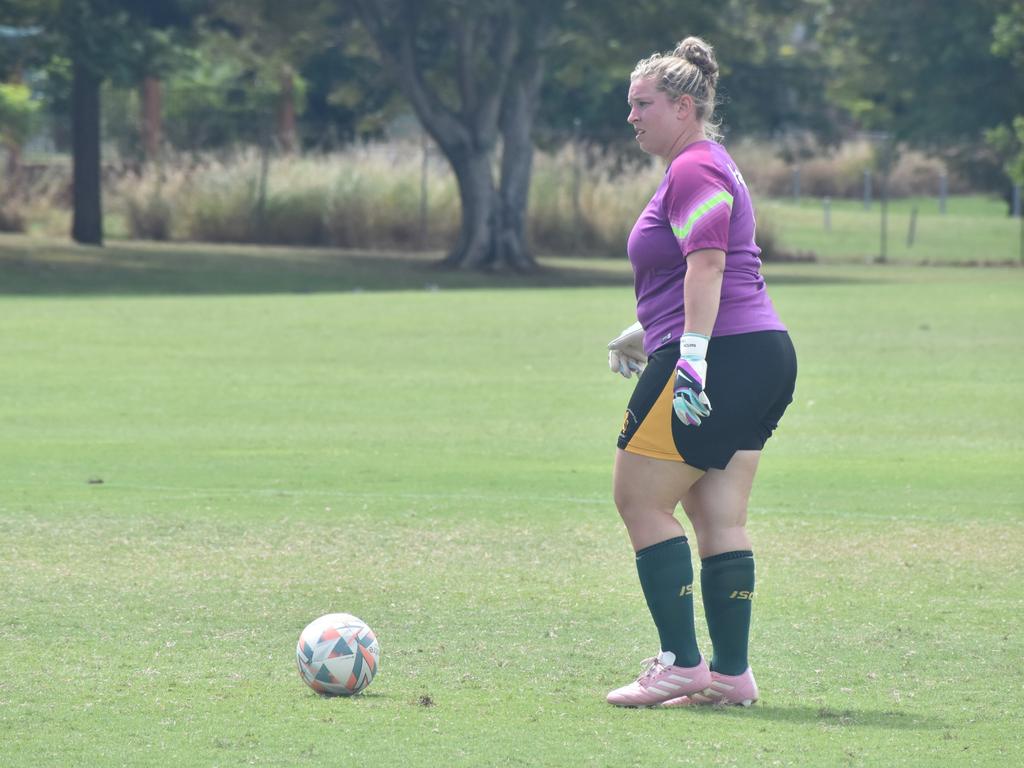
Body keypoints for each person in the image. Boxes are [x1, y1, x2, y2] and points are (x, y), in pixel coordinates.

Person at [604, 36, 797, 708]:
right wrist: (647, 330)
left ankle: (683, 665)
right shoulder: (708, 163)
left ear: (683, 107)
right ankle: (731, 676)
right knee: (717, 513)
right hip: (760, 352)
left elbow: (710, 263)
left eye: (642, 103)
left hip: (723, 355)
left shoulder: (694, 169)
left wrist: (688, 356)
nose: (631, 116)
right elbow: (702, 264)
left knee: (638, 499)